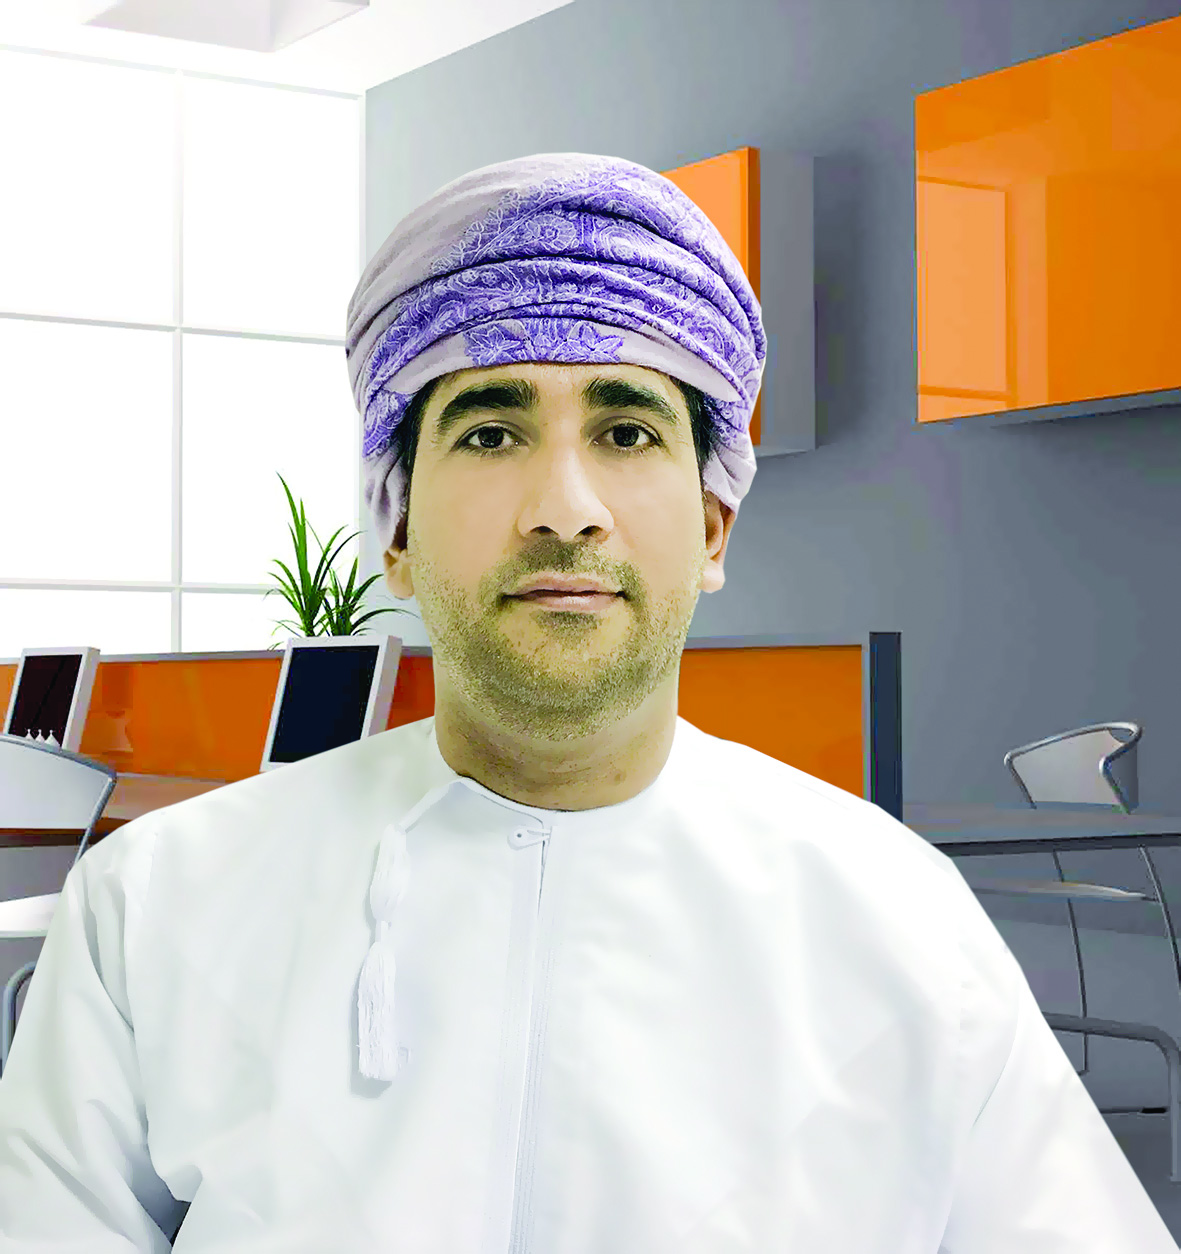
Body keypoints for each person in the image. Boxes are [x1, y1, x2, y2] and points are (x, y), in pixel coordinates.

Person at [0, 153, 1175, 1253]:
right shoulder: (159, 902)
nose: (564, 507)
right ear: (395, 531)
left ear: (711, 528)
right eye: (491, 431)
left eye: (623, 431)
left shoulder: (894, 918)